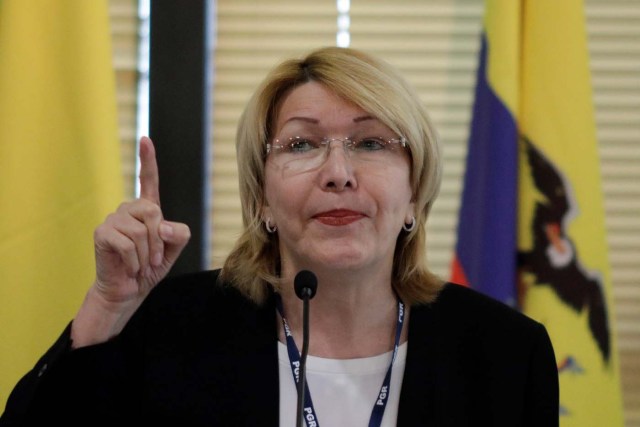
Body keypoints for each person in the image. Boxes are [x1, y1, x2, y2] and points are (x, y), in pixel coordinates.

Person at [0, 47, 558, 426]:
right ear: (263, 198)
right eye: (301, 145)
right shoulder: (165, 328)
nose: (338, 173)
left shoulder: (506, 354)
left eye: (370, 143)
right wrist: (106, 309)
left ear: (414, 193)